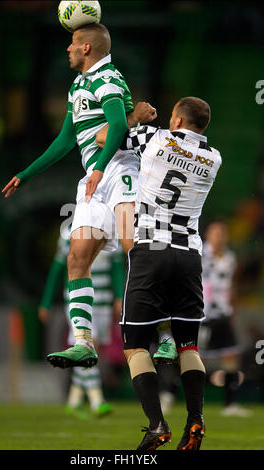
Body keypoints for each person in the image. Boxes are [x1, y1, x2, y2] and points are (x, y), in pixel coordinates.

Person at [2, 23, 156, 370]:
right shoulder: (78, 86)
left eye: (72, 43)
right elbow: (64, 141)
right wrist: (25, 174)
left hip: (120, 170)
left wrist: (100, 167)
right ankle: (84, 342)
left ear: (87, 48)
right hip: (93, 178)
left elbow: (118, 125)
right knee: (76, 258)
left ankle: (164, 332)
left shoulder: (109, 78)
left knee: (135, 247)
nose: (67, 50)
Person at [96, 96, 222, 450]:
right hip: (188, 255)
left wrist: (134, 117)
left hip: (151, 251)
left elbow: (104, 137)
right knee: (188, 345)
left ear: (178, 120)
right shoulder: (214, 158)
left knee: (136, 345)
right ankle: (196, 418)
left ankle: (156, 425)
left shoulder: (155, 138)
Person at [38, 230, 125, 417]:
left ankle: (74, 399)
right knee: (88, 345)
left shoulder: (110, 228)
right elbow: (57, 268)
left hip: (102, 301)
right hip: (76, 299)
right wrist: (46, 301)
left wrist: (119, 295)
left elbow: (117, 267)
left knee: (94, 349)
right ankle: (97, 400)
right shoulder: (69, 231)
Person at [199, 219, 251, 417]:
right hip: (201, 313)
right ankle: (170, 395)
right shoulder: (199, 253)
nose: (218, 237)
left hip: (223, 313)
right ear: (208, 235)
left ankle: (230, 404)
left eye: (222, 233)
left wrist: (233, 311)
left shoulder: (230, 258)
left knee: (231, 356)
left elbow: (232, 286)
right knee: (194, 357)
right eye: (215, 233)